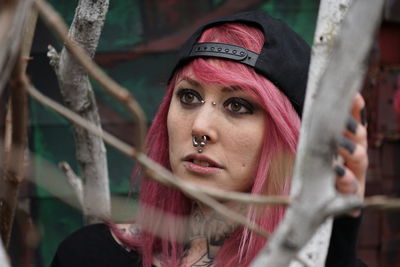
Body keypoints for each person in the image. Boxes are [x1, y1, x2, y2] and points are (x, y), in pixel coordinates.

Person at [50, 10, 368, 267]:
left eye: (238, 105)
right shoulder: (89, 256)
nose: (200, 127)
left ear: (285, 136)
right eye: (188, 97)